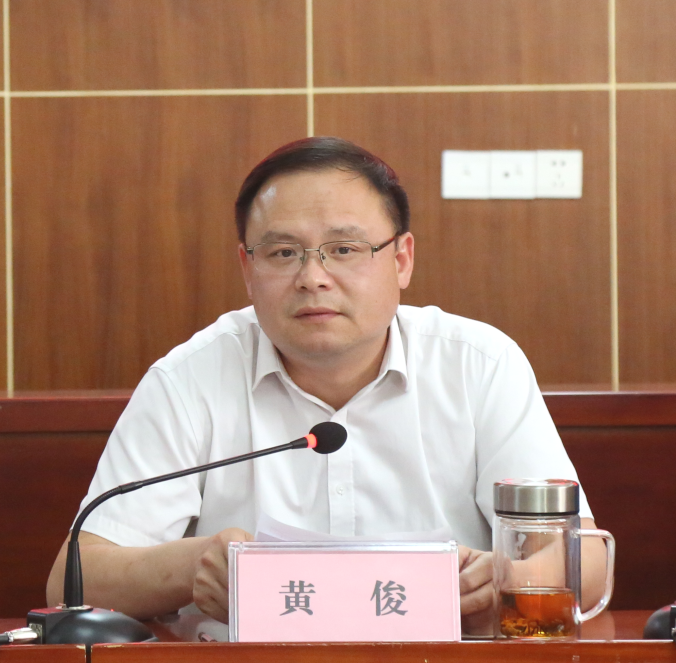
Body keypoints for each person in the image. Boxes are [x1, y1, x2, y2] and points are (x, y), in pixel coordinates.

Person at [47, 137, 606, 634]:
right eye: (283, 252)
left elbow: (587, 560)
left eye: (343, 249)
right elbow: (74, 580)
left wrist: (504, 579)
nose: (313, 277)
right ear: (247, 268)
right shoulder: (189, 379)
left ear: (402, 259)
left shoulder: (478, 364)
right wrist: (193, 568)